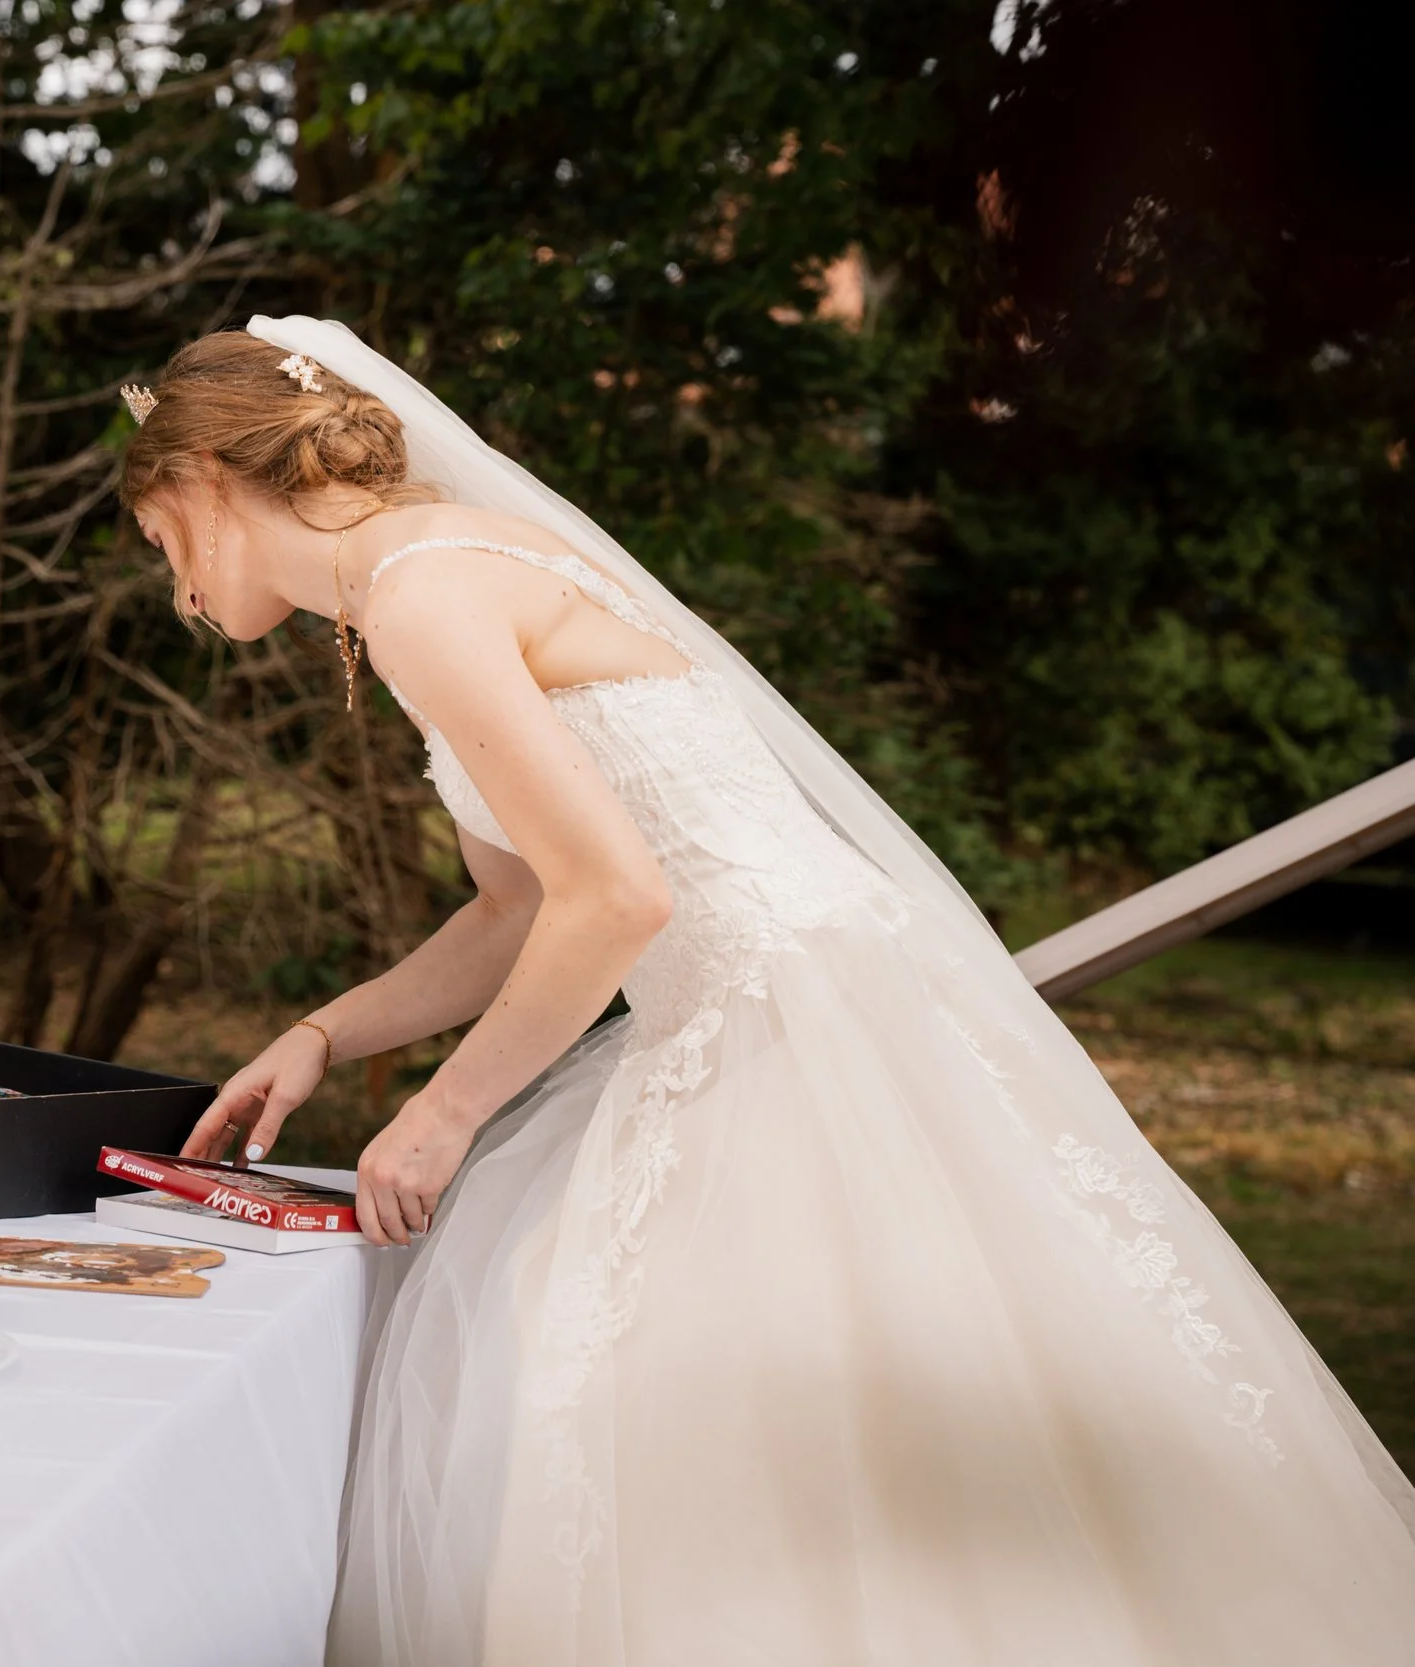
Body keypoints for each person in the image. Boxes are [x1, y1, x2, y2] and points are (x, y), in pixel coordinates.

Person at [123, 318, 1415, 1665]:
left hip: (784, 1028)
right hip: (799, 1000)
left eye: (162, 548)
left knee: (726, 1428)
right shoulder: (433, 567)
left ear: (209, 480)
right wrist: (325, 1031)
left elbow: (618, 900)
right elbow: (518, 906)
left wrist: (443, 1118)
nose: (179, 596)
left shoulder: (421, 597)